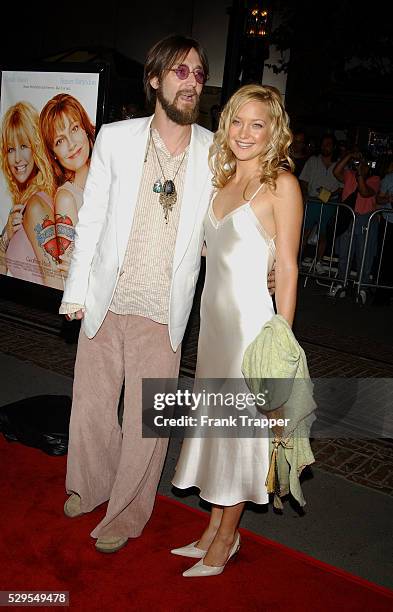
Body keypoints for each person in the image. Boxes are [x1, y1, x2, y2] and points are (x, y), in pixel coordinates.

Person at [59, 35, 276, 554]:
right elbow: (90, 220)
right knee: (89, 405)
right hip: (107, 299)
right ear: (155, 79)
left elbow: (234, 218)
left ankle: (128, 514)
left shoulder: (213, 153)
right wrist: (75, 290)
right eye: (181, 71)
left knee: (148, 424)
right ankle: (87, 486)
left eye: (199, 75)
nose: (191, 82)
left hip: (165, 311)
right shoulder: (114, 138)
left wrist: (266, 263)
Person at [171, 84, 303, 577]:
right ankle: (212, 529)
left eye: (258, 124)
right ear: (225, 125)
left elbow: (288, 268)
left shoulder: (282, 185)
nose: (245, 133)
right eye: (237, 122)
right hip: (213, 332)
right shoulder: (220, 181)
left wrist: (280, 341)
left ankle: (226, 538)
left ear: (274, 132)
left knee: (241, 432)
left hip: (251, 331)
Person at [0, 101, 62, 289]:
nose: (17, 158)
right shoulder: (24, 203)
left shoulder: (36, 205)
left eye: (24, 146)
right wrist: (5, 239)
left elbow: (55, 286)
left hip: (35, 316)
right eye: (11, 149)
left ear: (36, 146)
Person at [39, 94, 95, 276]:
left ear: (85, 129)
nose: (71, 144)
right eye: (59, 141)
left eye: (74, 128)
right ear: (53, 153)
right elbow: (69, 270)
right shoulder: (66, 198)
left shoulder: (108, 177)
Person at [330, 151, 380, 302]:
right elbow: (336, 171)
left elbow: (365, 192)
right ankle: (341, 285)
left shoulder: (375, 179)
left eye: (365, 164)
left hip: (366, 220)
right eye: (360, 163)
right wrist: (350, 155)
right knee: (345, 255)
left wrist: (361, 176)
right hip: (349, 218)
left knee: (364, 256)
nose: (362, 166)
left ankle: (362, 288)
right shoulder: (350, 175)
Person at [299, 134, 342, 274]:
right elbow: (303, 181)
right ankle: (297, 260)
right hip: (313, 202)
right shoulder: (313, 161)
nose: (325, 147)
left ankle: (317, 261)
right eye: (323, 144)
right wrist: (305, 196)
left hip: (330, 204)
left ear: (334, 146)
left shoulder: (339, 163)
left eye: (328, 144)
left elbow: (343, 186)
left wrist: (331, 196)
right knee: (305, 232)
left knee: (324, 234)